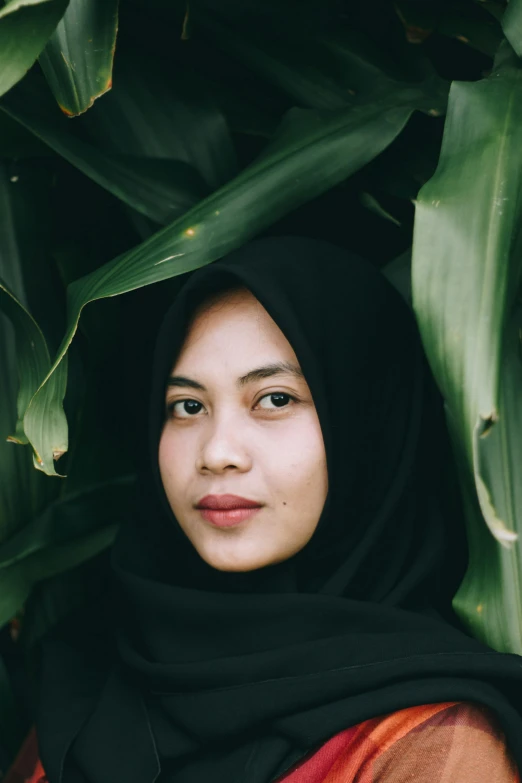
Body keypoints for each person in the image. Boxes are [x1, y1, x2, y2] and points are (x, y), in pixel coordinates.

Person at [7, 236, 522, 783]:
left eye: (275, 399)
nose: (217, 453)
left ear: (370, 427)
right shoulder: (90, 673)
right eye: (187, 406)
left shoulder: (430, 745)